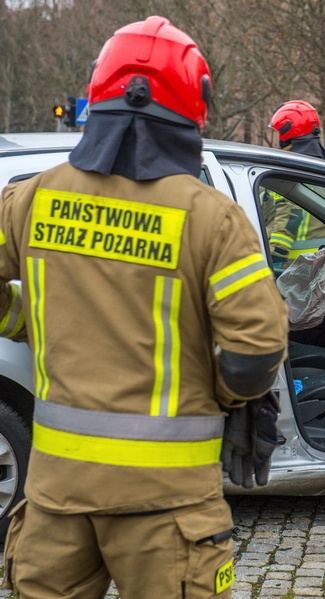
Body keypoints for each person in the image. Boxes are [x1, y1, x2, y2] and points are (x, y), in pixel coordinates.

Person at [0, 16, 287, 598]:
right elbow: (257, 346)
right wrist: (226, 397)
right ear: (192, 106)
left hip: (57, 500)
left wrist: (26, 322)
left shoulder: (32, 198)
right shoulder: (211, 219)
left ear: (96, 95)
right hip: (168, 505)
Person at [263, 100, 325, 266]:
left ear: (286, 132)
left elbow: (288, 214)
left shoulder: (291, 167)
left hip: (291, 262)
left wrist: (275, 255)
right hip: (322, 258)